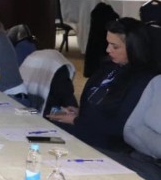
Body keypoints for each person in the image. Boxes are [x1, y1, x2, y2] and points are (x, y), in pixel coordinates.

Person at [49, 18, 155, 152]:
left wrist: (77, 120)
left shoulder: (143, 81)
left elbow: (122, 126)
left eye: (115, 46)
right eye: (108, 43)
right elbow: (97, 104)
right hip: (87, 129)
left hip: (106, 143)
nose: (108, 50)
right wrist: (80, 112)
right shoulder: (109, 67)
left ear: (133, 47)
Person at [122, 75, 161, 180]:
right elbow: (130, 129)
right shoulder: (157, 81)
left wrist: (143, 131)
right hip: (139, 157)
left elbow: (137, 128)